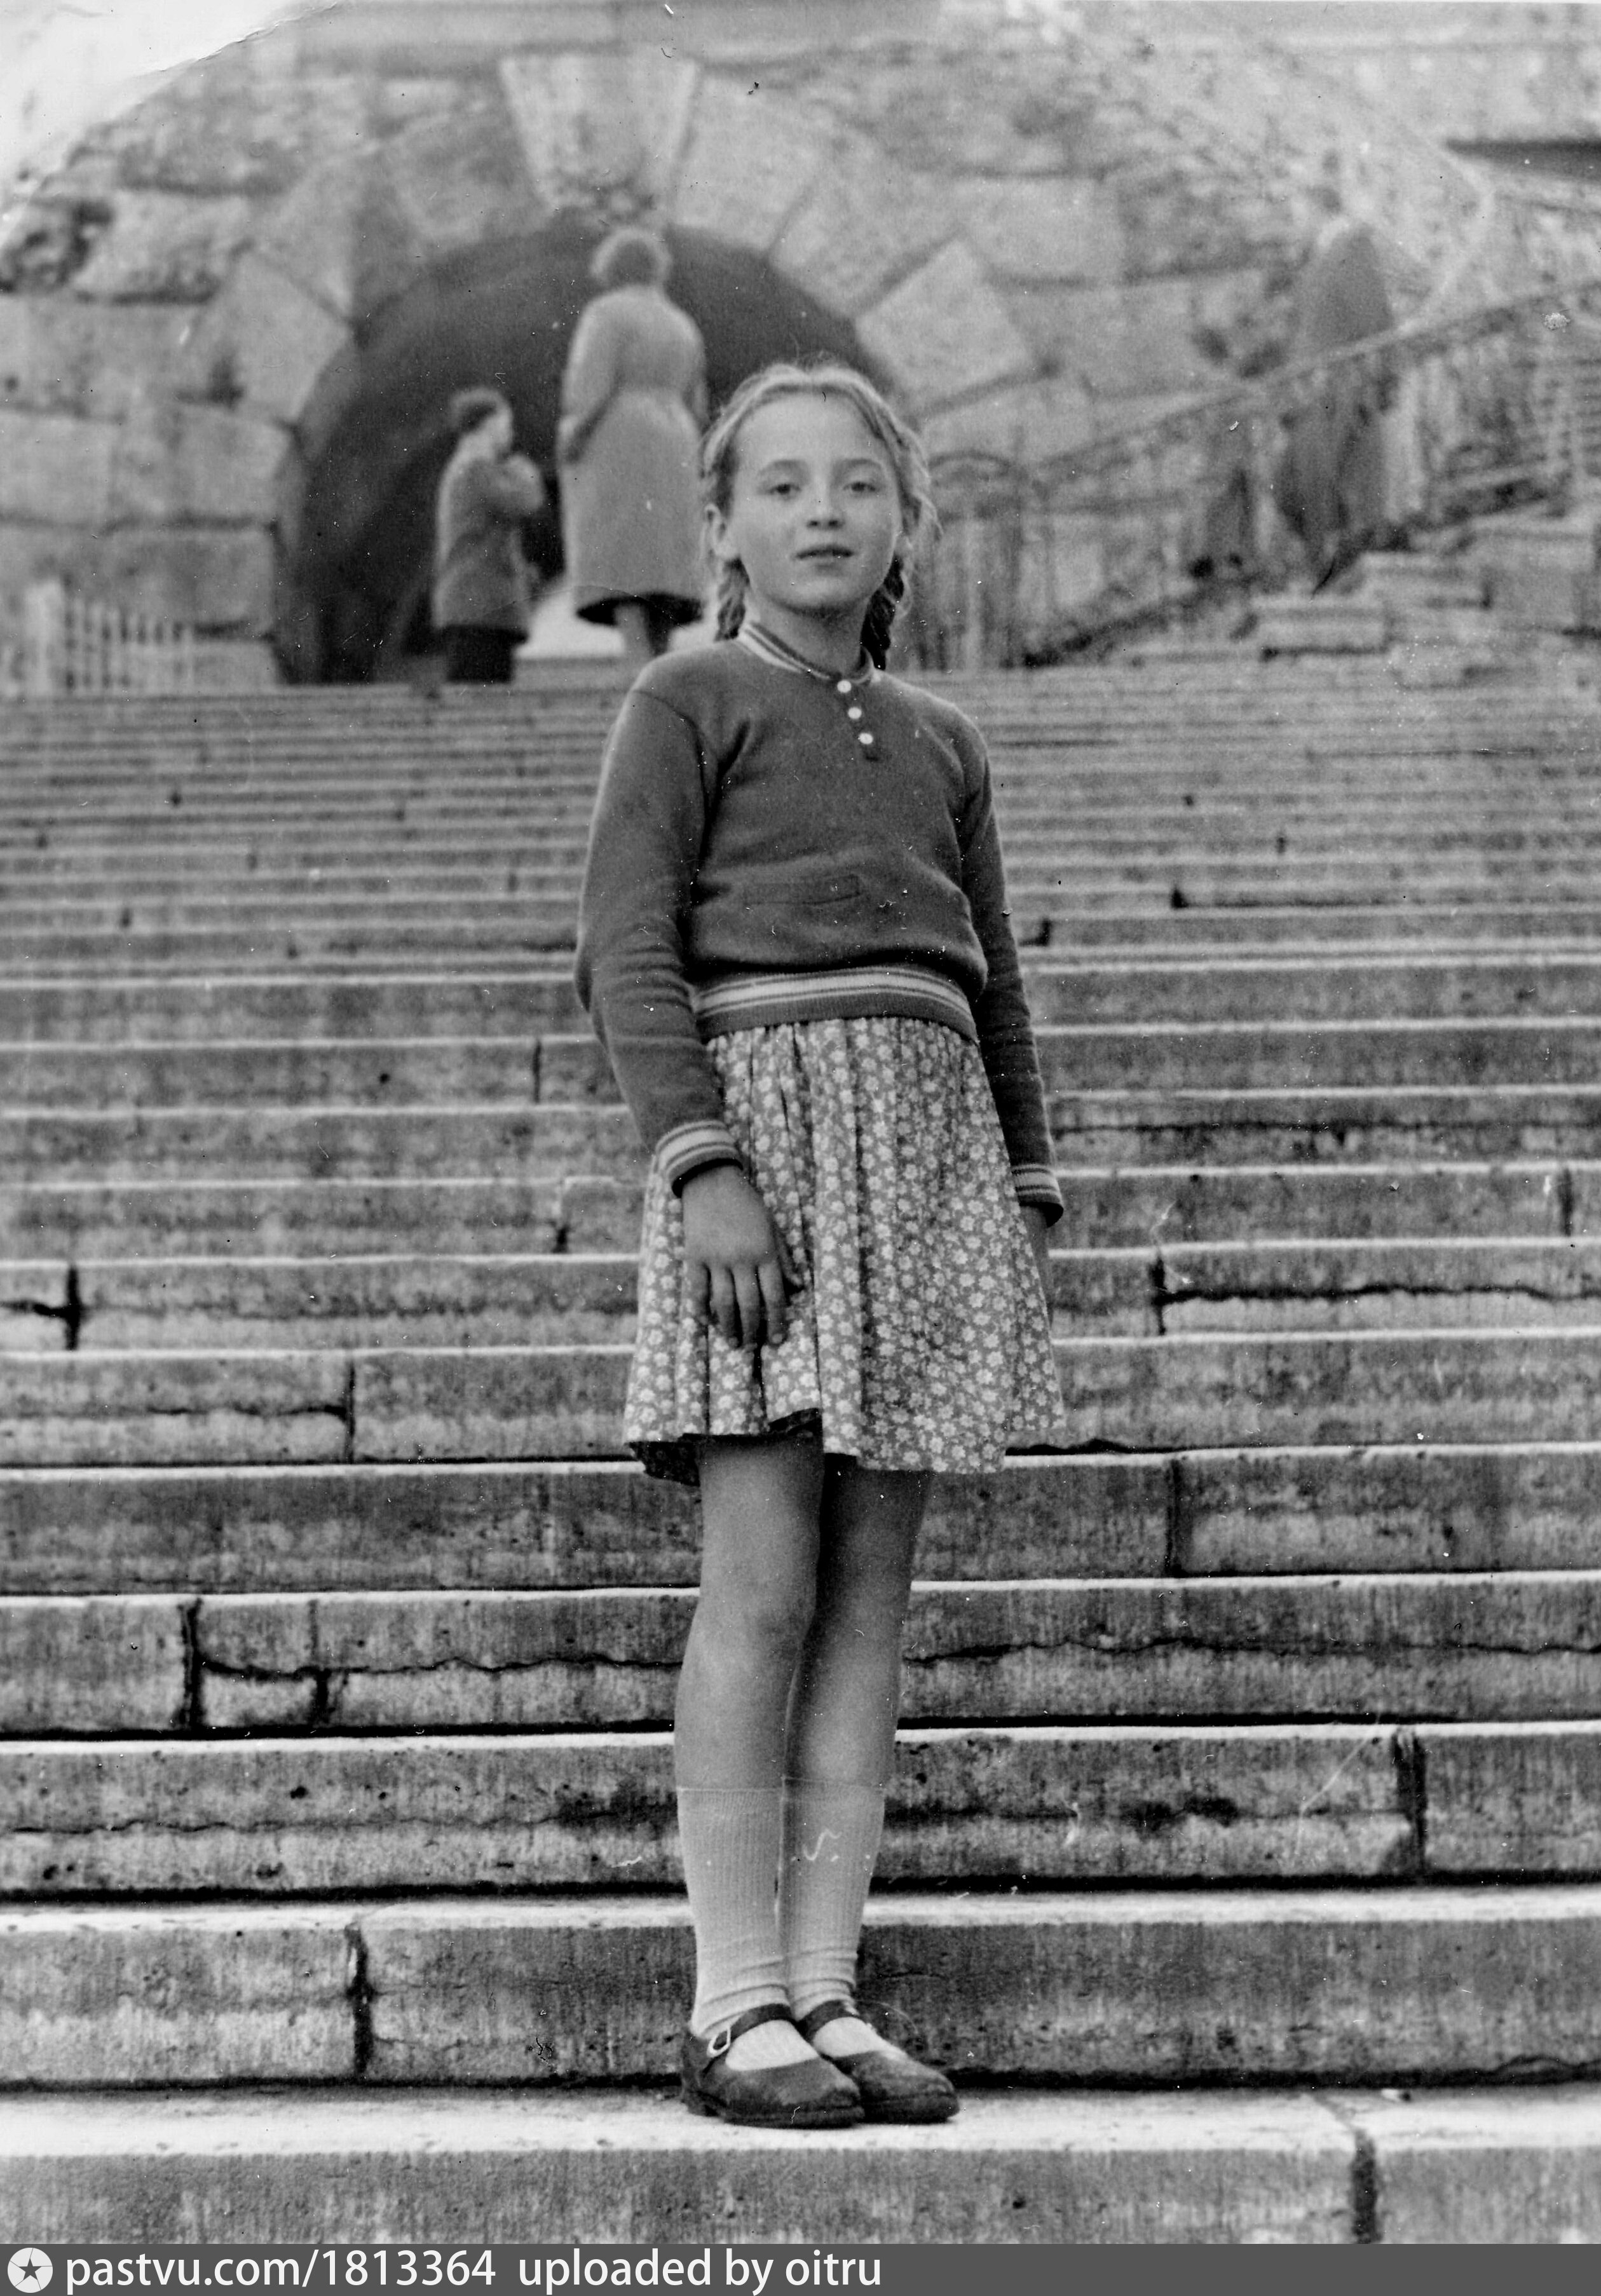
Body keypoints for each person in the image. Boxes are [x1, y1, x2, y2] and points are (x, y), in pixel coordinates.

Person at [574, 363, 1064, 2131]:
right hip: (765, 1175)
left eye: (856, 482)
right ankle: (733, 2003)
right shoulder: (686, 695)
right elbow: (625, 949)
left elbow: (991, 982)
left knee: (866, 1603)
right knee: (764, 1587)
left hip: (922, 1179)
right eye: (779, 486)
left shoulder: (943, 741)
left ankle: (826, 1983)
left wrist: (1019, 1184)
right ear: (719, 525)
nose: (821, 513)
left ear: (901, 516)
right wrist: (703, 1165)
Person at [557, 226, 707, 671]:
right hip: (677, 436)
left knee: (622, 556)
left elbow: (591, 384)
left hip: (620, 434)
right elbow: (697, 400)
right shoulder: (682, 322)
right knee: (664, 564)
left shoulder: (606, 312)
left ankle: (637, 665)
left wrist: (572, 434)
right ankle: (660, 667)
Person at [1273, 203, 1397, 588]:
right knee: (1294, 488)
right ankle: (1326, 566)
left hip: (1338, 390)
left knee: (1329, 489)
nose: (1293, 224)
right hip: (1310, 395)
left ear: (1317, 208)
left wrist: (1382, 381)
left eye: (1296, 212)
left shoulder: (1352, 248)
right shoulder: (1316, 259)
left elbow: (1375, 318)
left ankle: (1332, 570)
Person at [432, 387, 546, 684]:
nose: (510, 433)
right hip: (480, 609)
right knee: (482, 695)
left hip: (475, 608)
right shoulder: (477, 469)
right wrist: (525, 470)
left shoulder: (465, 468)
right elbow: (525, 500)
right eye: (506, 424)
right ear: (489, 424)